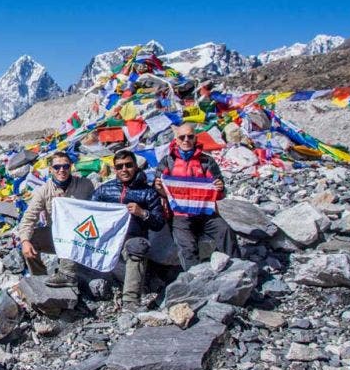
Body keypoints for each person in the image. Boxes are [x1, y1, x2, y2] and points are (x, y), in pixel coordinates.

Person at [154, 123, 239, 270]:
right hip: (180, 214)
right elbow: (160, 193)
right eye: (182, 137)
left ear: (195, 138)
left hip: (205, 213)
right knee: (187, 248)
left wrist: (219, 188)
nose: (186, 140)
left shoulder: (207, 161)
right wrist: (159, 187)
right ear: (176, 140)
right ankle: (194, 279)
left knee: (225, 232)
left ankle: (239, 269)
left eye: (190, 136)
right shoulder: (167, 161)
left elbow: (220, 192)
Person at [91, 149, 165, 310]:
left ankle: (130, 300)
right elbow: (90, 210)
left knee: (136, 247)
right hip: (107, 238)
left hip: (133, 237)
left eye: (128, 165)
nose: (124, 170)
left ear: (136, 166)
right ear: (115, 169)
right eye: (119, 167)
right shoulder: (104, 190)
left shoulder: (148, 193)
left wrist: (143, 213)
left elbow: (159, 223)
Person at [16, 152, 95, 288]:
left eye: (65, 166)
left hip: (82, 236)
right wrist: (24, 241)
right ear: (51, 169)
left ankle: (69, 275)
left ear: (71, 167)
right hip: (57, 236)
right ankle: (40, 279)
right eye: (57, 167)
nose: (61, 170)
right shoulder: (44, 191)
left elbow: (97, 208)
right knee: (31, 240)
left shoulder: (85, 185)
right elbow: (29, 218)